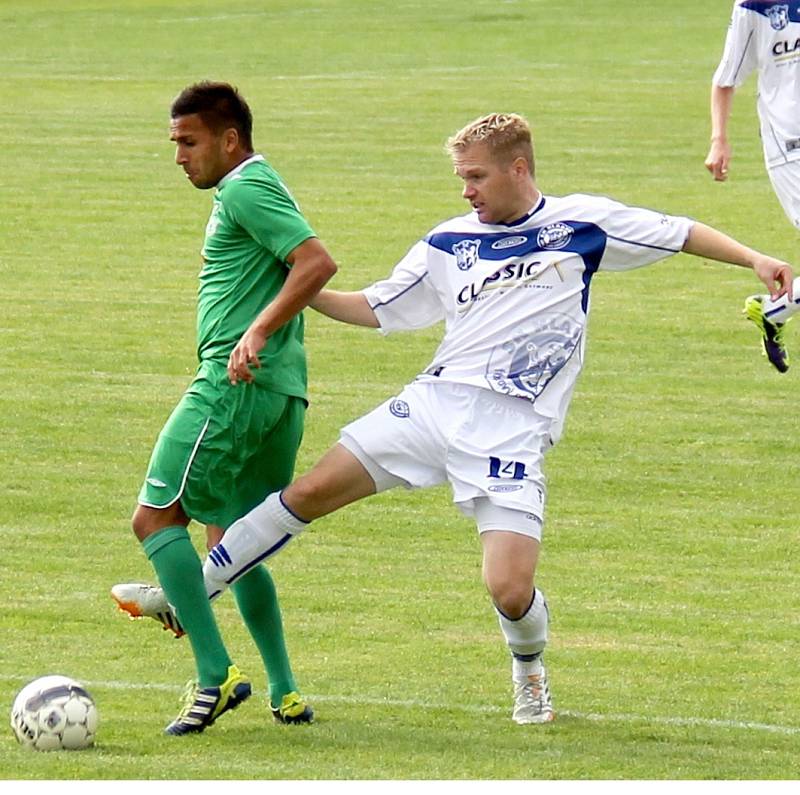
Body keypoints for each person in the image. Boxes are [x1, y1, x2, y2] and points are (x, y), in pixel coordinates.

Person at [117, 113, 793, 726]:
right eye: (460, 178)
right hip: (433, 406)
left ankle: (528, 668)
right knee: (305, 495)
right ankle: (186, 595)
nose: (466, 191)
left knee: (509, 589)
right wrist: (292, 286)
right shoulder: (447, 241)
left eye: (476, 177)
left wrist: (756, 259)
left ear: (517, 169)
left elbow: (678, 231)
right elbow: (377, 306)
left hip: (513, 430)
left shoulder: (583, 224)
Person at [111, 81, 337, 735]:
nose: (179, 156)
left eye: (189, 142)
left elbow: (315, 261)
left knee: (154, 520)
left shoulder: (244, 187)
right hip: (279, 393)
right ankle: (286, 691)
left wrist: (257, 331)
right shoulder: (252, 187)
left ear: (229, 140)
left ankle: (216, 675)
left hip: (231, 388)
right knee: (234, 544)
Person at [705, 0, 800, 372]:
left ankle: (774, 309)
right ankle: (774, 310)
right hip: (790, 150)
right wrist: (719, 139)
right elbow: (726, 78)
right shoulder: (756, 7)